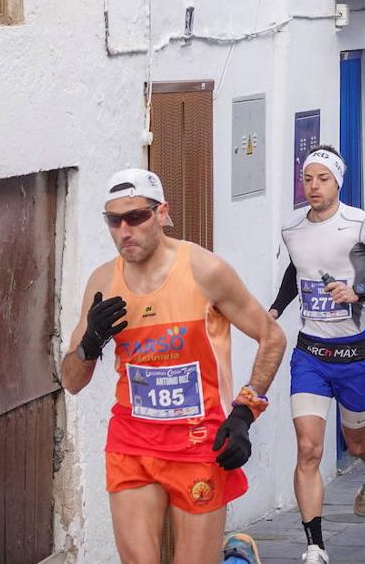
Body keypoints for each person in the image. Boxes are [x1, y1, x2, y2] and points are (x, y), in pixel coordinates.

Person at [61, 169, 287, 564]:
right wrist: (90, 346)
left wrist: (244, 413)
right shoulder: (103, 282)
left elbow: (272, 337)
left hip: (199, 443)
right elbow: (71, 381)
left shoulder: (205, 271)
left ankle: (235, 557)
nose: (124, 231)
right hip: (132, 441)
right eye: (114, 221)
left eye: (136, 217)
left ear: (162, 213)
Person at [272, 148, 365, 563]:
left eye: (322, 179)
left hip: (355, 356)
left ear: (338, 183)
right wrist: (276, 309)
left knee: (357, 445)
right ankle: (315, 545)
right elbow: (296, 271)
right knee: (309, 449)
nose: (313, 186)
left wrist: (360, 292)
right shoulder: (292, 228)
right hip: (311, 355)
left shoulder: (361, 224)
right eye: (308, 179)